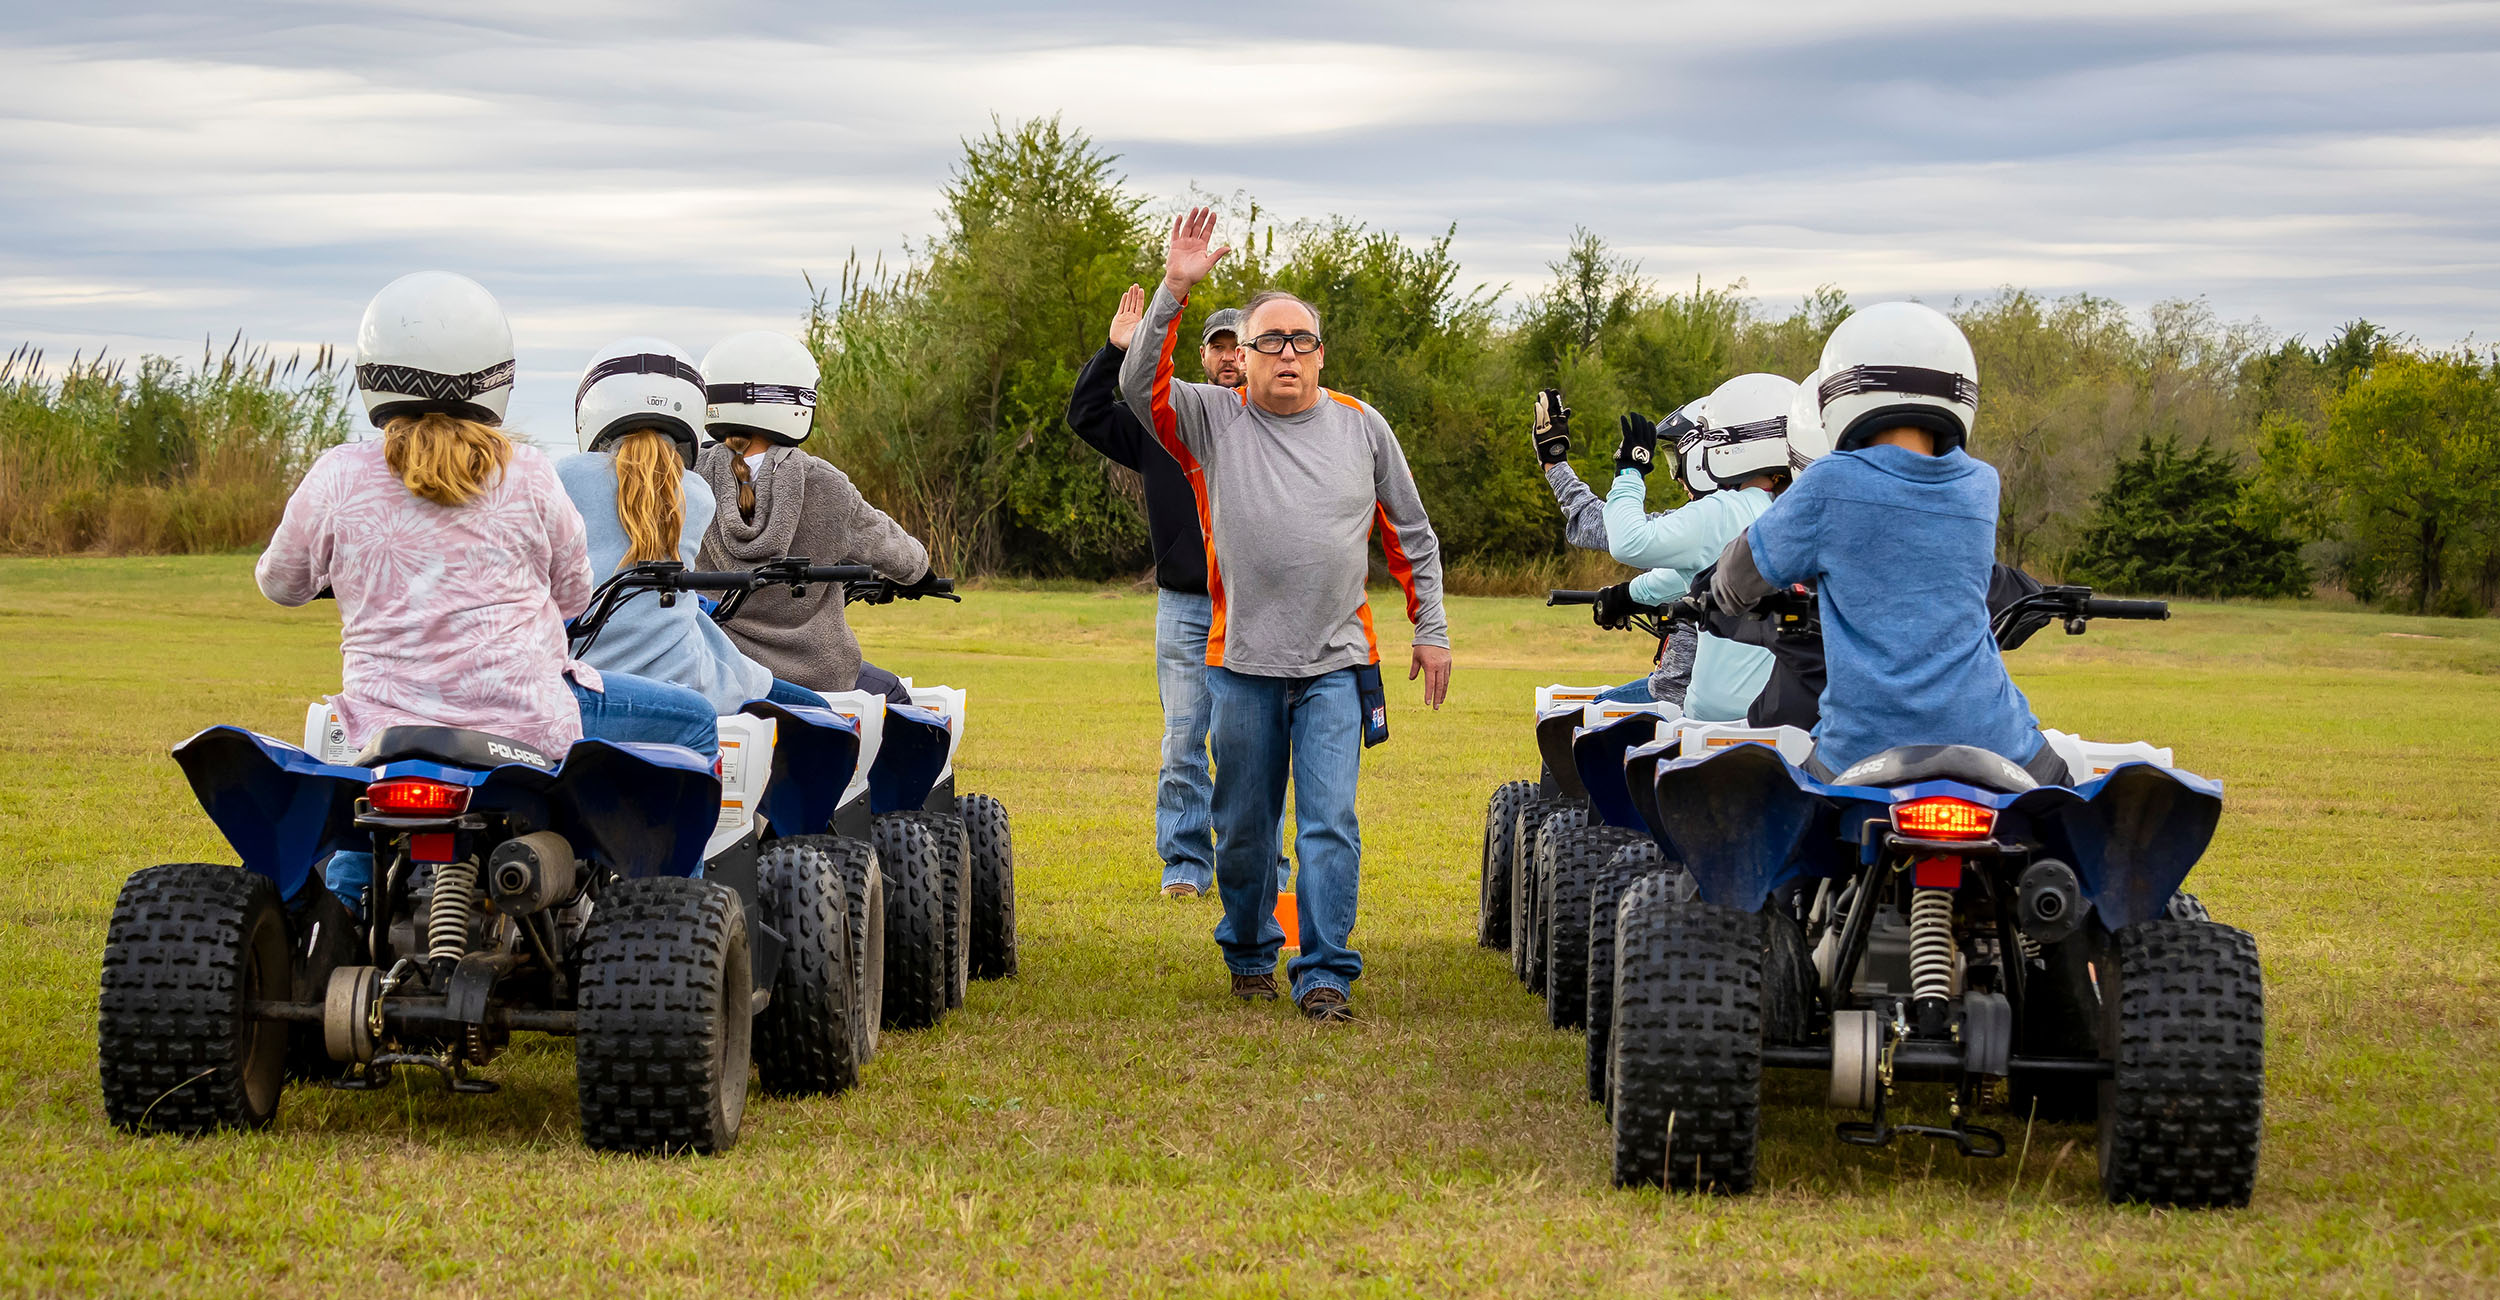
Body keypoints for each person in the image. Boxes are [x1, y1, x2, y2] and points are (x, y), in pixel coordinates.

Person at [256, 272, 718, 915]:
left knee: (360, 800)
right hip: (525, 718)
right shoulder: (527, 472)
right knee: (695, 723)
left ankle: (344, 915)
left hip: (388, 727)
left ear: (375, 376)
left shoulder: (336, 475)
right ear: (494, 376)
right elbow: (576, 593)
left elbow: (280, 583)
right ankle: (669, 919)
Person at [1119, 207, 1453, 1022]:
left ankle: (1327, 972)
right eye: (1269, 342)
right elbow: (1137, 386)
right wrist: (1174, 290)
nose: (1288, 356)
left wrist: (1431, 627)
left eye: (1302, 341)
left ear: (1320, 354)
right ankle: (1247, 949)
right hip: (1241, 667)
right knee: (1240, 830)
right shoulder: (1212, 420)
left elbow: (1410, 530)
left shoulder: (1361, 426)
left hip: (1338, 665)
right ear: (1245, 357)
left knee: (1328, 824)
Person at [1710, 301, 2064, 782]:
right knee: (2063, 805)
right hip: (1995, 737)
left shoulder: (1827, 483)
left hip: (1862, 746)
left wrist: (1721, 592)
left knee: (1794, 837)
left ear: (1839, 397)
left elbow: (1736, 578)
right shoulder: (1981, 485)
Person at [1069, 288, 1289, 900]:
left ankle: (1267, 869)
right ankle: (1186, 866)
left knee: (1256, 744)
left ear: (1252, 357)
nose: (1226, 358)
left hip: (1256, 604)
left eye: (1236, 348)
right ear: (1202, 356)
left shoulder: (1274, 427)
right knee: (1185, 736)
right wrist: (1116, 349)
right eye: (1216, 347)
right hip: (1187, 606)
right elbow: (1086, 414)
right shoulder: (1159, 423)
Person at [557, 336, 827, 712]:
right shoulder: (696, 493)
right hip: (689, 677)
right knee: (816, 712)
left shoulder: (564, 477)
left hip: (583, 674)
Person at [692, 330, 937, 704]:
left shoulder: (688, 479)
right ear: (795, 401)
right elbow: (884, 541)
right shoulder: (823, 483)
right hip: (815, 672)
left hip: (719, 668)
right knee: (894, 694)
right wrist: (920, 573)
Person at [1597, 372, 1805, 719]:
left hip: (1715, 722)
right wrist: (1628, 594)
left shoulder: (1723, 510)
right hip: (1784, 716)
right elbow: (1697, 576)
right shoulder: (1800, 510)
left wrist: (1629, 473)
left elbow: (1628, 541)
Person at [1531, 389, 1703, 709]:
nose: (1678, 476)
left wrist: (1627, 470)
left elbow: (1616, 534)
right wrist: (1556, 466)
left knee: (1571, 721)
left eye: (1680, 462)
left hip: (1683, 697)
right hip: (1691, 692)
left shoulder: (1704, 522)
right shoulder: (1751, 518)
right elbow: (1603, 525)